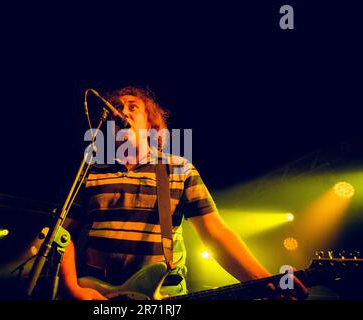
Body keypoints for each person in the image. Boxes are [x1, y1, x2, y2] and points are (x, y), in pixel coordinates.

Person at [59, 86, 308, 300]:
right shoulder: (91, 172)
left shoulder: (178, 169)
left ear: (150, 124)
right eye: (115, 107)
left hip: (164, 295)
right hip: (98, 294)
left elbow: (216, 234)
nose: (121, 111)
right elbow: (62, 235)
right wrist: (72, 287)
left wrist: (265, 282)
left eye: (132, 106)